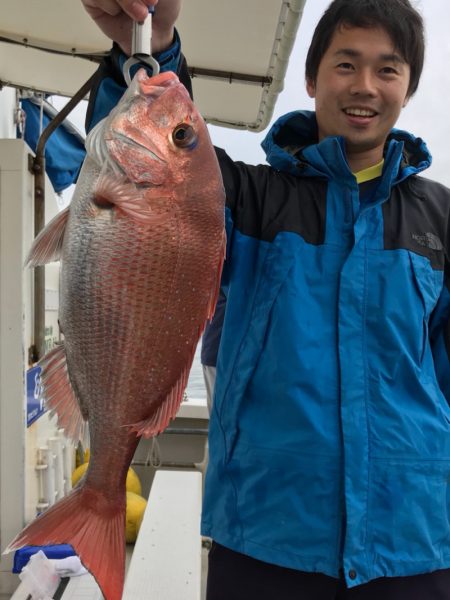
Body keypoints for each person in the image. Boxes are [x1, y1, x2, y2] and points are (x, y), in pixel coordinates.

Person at [81, 0, 450, 598]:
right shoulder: (249, 197)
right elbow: (146, 170)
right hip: (266, 534)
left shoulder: (439, 218)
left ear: (409, 87)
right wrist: (150, 46)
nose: (364, 86)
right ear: (311, 77)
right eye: (345, 64)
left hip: (414, 541)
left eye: (388, 69)